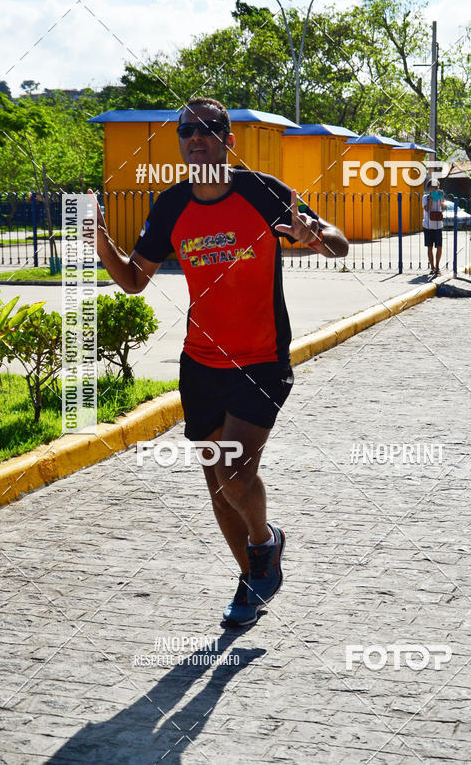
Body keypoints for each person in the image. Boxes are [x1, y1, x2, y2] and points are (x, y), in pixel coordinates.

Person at [92, 96, 349, 627]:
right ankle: (251, 583)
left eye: (209, 129)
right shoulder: (169, 205)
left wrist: (314, 236)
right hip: (201, 363)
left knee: (234, 473)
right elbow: (137, 280)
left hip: (261, 360)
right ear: (180, 141)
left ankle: (266, 541)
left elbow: (339, 242)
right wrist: (101, 244)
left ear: (228, 140)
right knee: (218, 487)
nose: (196, 138)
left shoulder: (262, 191)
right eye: (187, 130)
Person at [422, 176, 446, 276]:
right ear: (429, 188)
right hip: (428, 226)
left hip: (438, 225)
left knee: (439, 246)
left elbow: (444, 207)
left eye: (437, 187)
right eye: (434, 187)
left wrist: (442, 198)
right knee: (429, 247)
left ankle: (437, 267)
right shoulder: (425, 197)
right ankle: (432, 267)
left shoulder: (440, 196)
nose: (436, 189)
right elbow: (426, 209)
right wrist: (431, 199)